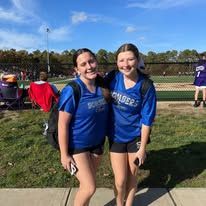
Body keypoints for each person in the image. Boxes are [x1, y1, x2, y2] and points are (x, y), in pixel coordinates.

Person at [106, 43, 156, 206]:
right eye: (121, 60)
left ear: (137, 60)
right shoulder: (112, 78)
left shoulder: (146, 86)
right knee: (120, 180)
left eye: (130, 59)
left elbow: (147, 118)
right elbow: (92, 87)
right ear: (116, 62)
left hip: (135, 137)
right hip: (116, 136)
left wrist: (142, 149)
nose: (125, 64)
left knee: (132, 175)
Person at [57, 48, 108, 206]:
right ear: (76, 69)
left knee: (86, 186)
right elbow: (62, 124)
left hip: (97, 144)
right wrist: (64, 154)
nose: (89, 66)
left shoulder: (102, 85)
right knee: (89, 187)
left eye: (91, 61)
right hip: (77, 146)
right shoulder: (72, 90)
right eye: (83, 64)